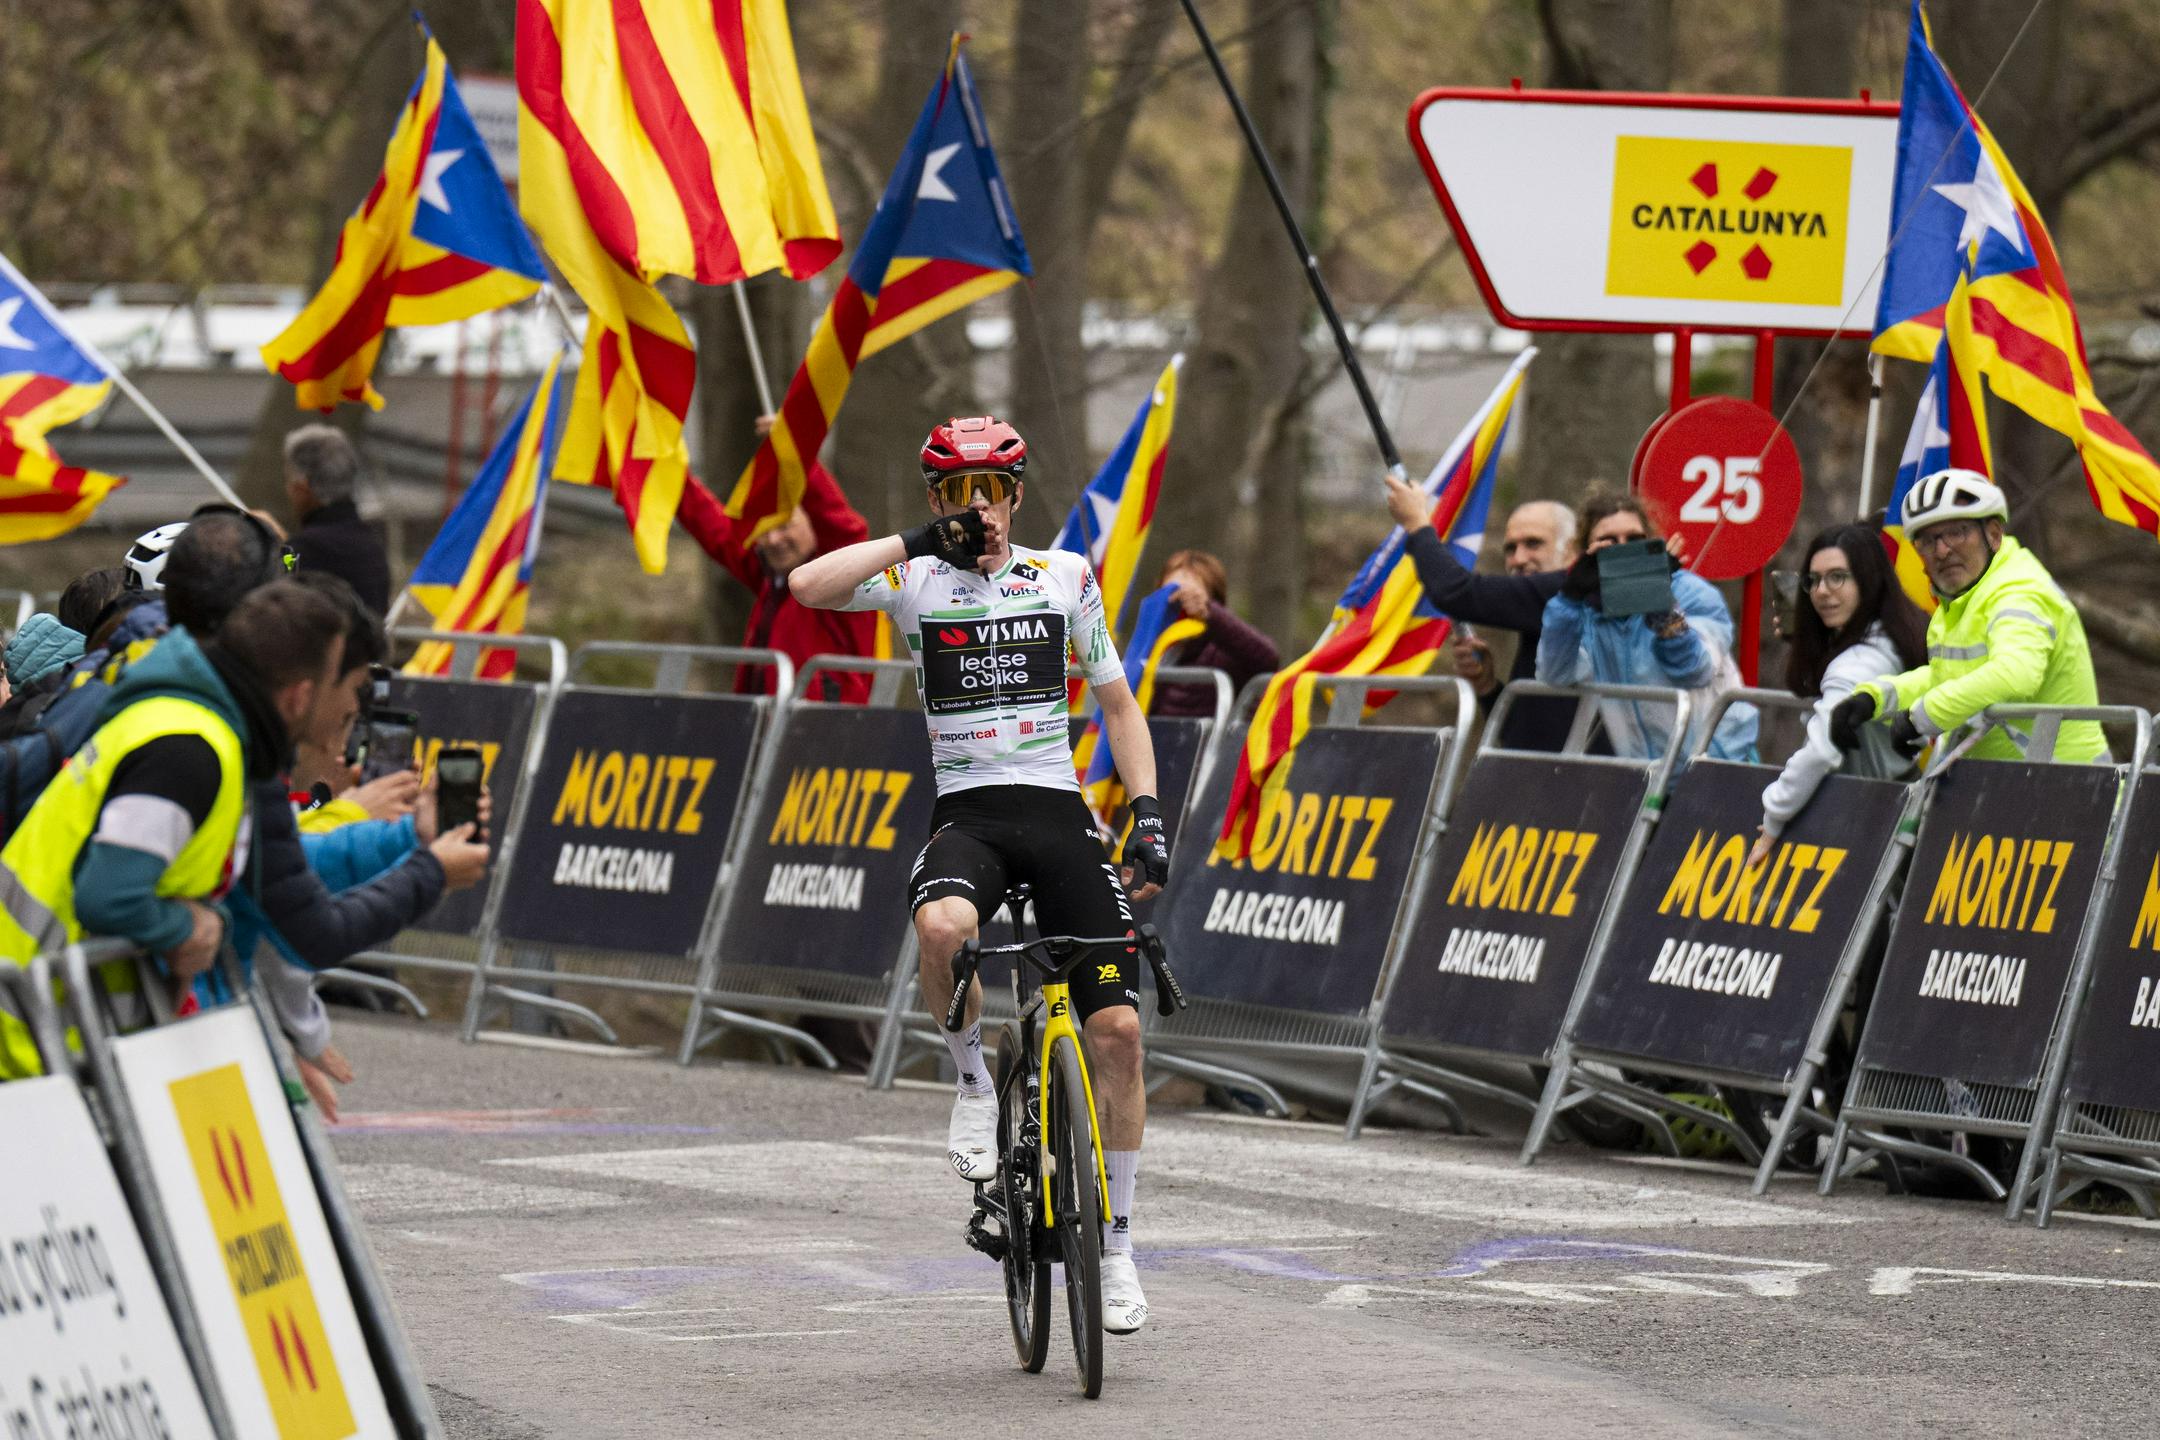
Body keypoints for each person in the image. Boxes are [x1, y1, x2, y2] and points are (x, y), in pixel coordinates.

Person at [790, 414, 1171, 1335]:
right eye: (955, 492)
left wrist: (1147, 812)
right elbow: (805, 585)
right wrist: (919, 541)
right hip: (968, 813)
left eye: (990, 490)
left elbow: (1118, 703)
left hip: (1057, 807)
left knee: (1118, 1029)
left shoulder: (1066, 576)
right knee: (941, 930)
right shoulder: (914, 576)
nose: (978, 509)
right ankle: (969, 1088)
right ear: (935, 500)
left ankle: (1117, 1248)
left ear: (1014, 494)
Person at [0, 580, 347, 1077]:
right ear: (299, 693)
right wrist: (189, 929)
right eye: (342, 683)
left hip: (48, 1021)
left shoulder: (189, 725)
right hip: (36, 1032)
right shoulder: (190, 747)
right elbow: (108, 896)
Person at [1833, 468, 2105, 764]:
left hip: (2070, 789)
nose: (1942, 550)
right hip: (1997, 785)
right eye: (1926, 540)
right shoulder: (1960, 601)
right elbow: (1946, 677)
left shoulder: (2020, 592)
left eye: (1957, 532)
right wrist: (1875, 698)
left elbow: (2016, 673)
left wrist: (1924, 716)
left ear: (1994, 535)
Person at [1748, 525, 1930, 865]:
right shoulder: (1889, 634)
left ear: (1868, 580)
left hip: (1875, 822)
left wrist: (1774, 816)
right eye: (1813, 580)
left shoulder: (1857, 664)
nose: (1822, 592)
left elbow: (1820, 750)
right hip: (1896, 810)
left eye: (1837, 577)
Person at [1536, 489, 1757, 761]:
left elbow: (1694, 670)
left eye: (1634, 539)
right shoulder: (1586, 613)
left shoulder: (1693, 594)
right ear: (1587, 552)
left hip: (1717, 764)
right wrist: (1569, 599)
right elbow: (1555, 675)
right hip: (1648, 773)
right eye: (1608, 542)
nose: (1623, 548)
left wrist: (1658, 600)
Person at [675, 419, 879, 703]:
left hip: (825, 732)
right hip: (764, 728)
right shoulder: (770, 576)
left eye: (785, 525)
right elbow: (714, 529)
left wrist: (794, 452)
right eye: (764, 530)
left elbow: (845, 529)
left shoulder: (842, 579)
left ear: (814, 524)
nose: (773, 540)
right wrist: (671, 475)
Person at [1385, 477, 1585, 751]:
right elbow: (1523, 733)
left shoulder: (1567, 593)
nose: (1519, 558)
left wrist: (1418, 525)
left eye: (1534, 543)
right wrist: (1489, 688)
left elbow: (1456, 593)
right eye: (1511, 548)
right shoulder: (1539, 617)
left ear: (1573, 550)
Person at [1149, 549, 1279, 717]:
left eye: (1190, 598)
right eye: (1170, 596)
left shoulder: (1224, 652)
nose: (1180, 607)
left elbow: (1267, 658)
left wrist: (1210, 614)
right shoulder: (1153, 648)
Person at [285, 423, 391, 617]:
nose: (289, 490)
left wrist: (279, 547)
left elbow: (284, 573)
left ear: (303, 487)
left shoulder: (304, 548)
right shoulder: (371, 543)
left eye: (289, 480)